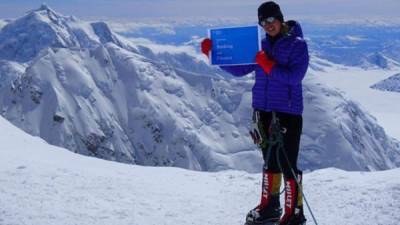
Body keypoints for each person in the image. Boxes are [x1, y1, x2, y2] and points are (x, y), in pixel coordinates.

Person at [201, 1, 309, 225]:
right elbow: (240, 69)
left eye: (271, 20)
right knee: (270, 161)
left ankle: (294, 214)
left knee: (287, 162)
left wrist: (268, 65)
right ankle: (270, 207)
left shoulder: (297, 45)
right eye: (263, 21)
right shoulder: (261, 46)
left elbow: (294, 77)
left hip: (287, 112)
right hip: (264, 111)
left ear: (280, 18)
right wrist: (214, 54)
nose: (268, 25)